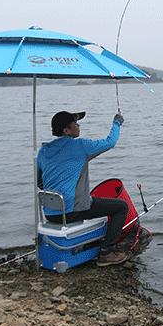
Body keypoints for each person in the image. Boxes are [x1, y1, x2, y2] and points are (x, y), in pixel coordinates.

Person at [37, 110, 130, 266]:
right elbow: (110, 142)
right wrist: (117, 122)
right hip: (71, 211)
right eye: (75, 123)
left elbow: (40, 182)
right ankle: (106, 252)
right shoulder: (80, 146)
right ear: (66, 130)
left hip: (50, 213)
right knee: (121, 207)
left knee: (93, 201)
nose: (78, 125)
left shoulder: (44, 150)